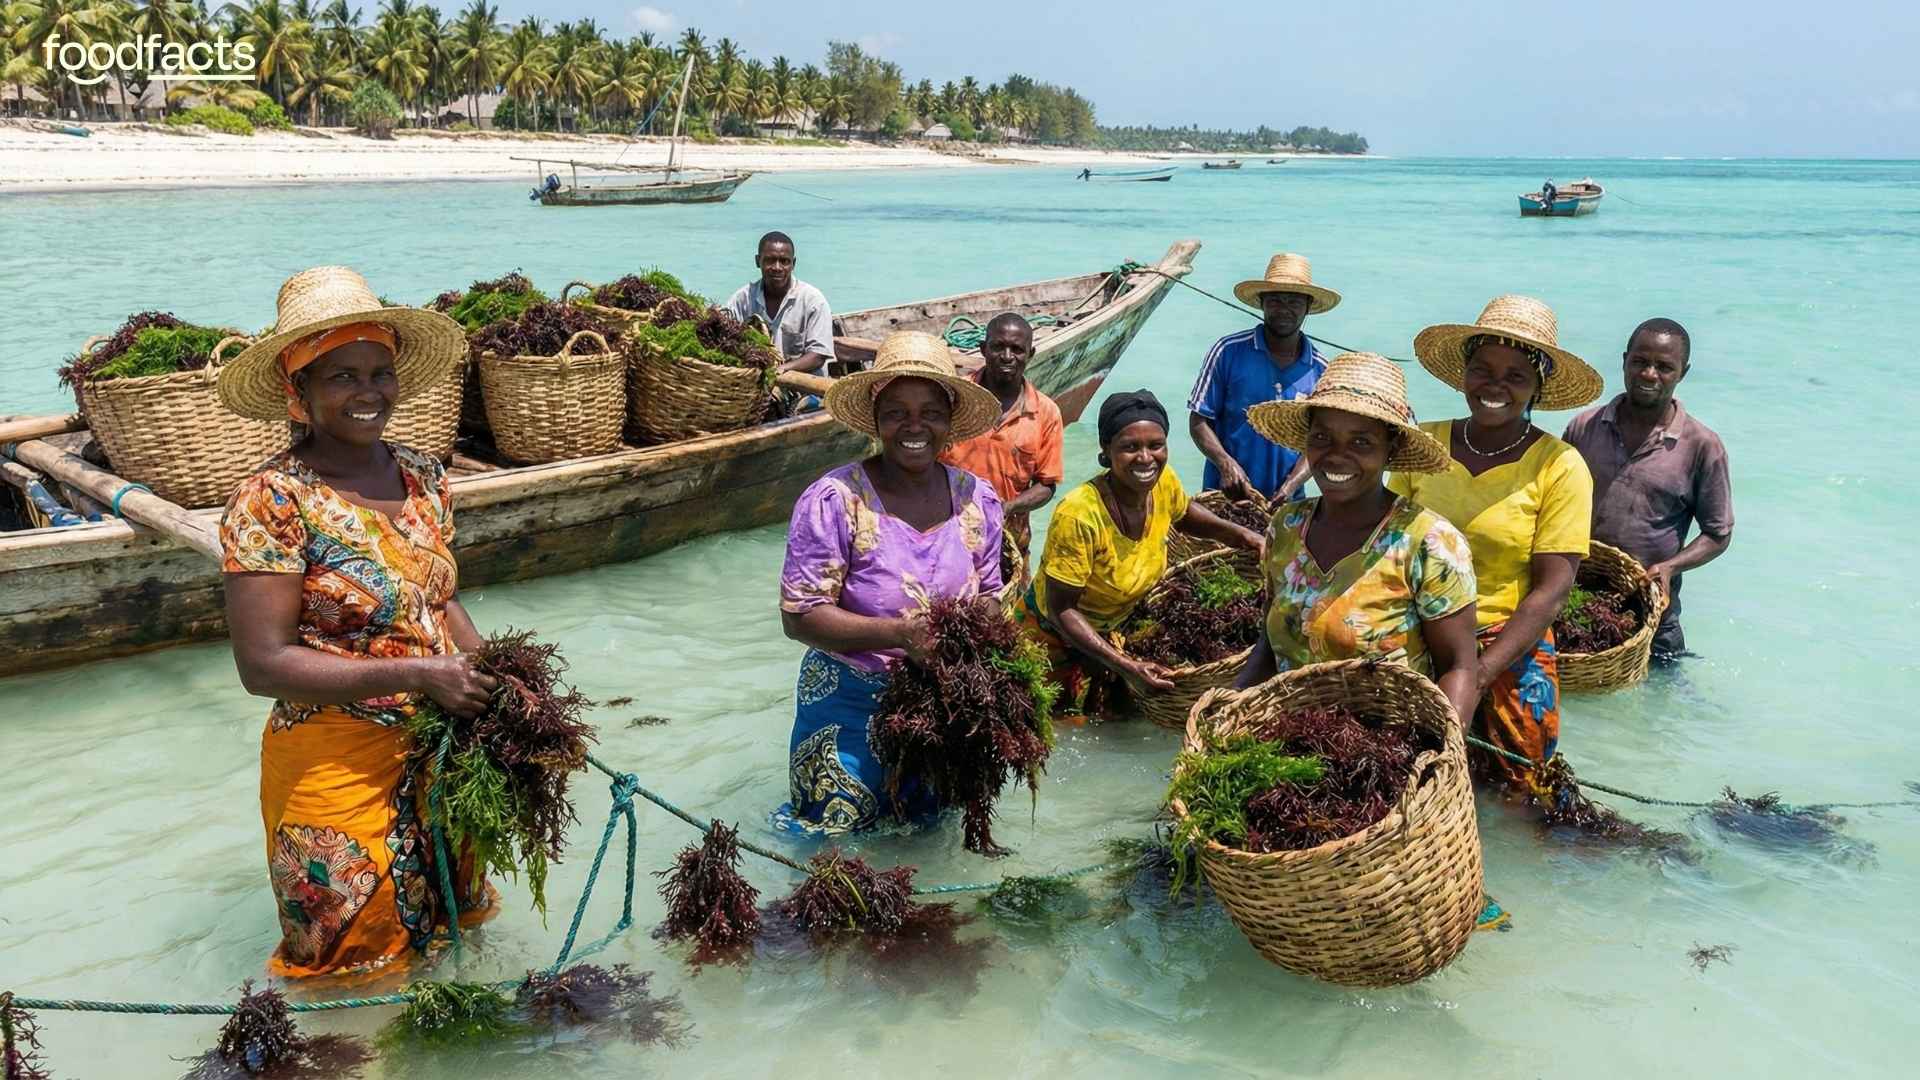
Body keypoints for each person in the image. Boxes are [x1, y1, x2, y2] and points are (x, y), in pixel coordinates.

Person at [216, 266, 498, 977]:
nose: (368, 392)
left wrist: (496, 674)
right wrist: (420, 673)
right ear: (297, 391)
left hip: (439, 752)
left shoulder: (423, 476)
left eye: (379, 372)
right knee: (346, 969)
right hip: (331, 766)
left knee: (454, 943)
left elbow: (436, 596)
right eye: (341, 376)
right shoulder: (271, 502)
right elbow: (263, 666)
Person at [776, 330, 1006, 834]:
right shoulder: (835, 499)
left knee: (928, 840)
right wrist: (899, 634)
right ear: (877, 421)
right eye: (897, 412)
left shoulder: (978, 499)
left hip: (941, 706)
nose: (914, 426)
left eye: (931, 412)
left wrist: (970, 634)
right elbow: (800, 615)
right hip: (847, 706)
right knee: (830, 847)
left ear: (949, 422)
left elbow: (991, 595)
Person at [1390, 296, 1603, 791]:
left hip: (1509, 644)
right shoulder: (1421, 444)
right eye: (1483, 371)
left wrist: (1480, 673)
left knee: (1525, 792)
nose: (1495, 387)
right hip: (1415, 634)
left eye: (1515, 377)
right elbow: (1383, 545)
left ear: (1537, 387)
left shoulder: (1560, 465)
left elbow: (1551, 592)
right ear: (1463, 373)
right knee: (1404, 782)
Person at [1234, 353, 1482, 722]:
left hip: (1387, 752)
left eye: (1361, 442)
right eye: (1322, 438)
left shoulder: (1429, 543)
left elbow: (1459, 669)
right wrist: (1233, 704)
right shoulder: (1285, 527)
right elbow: (1269, 645)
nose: (1337, 457)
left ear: (1391, 450)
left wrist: (1444, 749)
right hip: (1286, 739)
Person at [1016, 390, 1265, 717]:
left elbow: (1184, 513)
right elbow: (1063, 611)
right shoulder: (1079, 515)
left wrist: (1244, 536)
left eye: (1156, 445)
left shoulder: (1163, 483)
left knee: (1119, 722)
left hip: (1114, 630)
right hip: (1053, 642)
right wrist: (1127, 666)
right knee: (1064, 728)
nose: (1146, 458)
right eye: (1130, 447)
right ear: (1106, 454)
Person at [1561, 318, 1732, 661]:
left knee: (1660, 706)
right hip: (1574, 598)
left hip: (1653, 612)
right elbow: (1552, 503)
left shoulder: (1703, 446)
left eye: (1664, 366)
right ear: (1624, 360)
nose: (1649, 374)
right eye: (1640, 361)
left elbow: (1718, 534)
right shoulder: (1584, 427)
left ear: (1683, 372)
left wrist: (1670, 567)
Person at [1189, 252, 1340, 503]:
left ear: (1307, 307)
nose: (1284, 310)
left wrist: (1291, 486)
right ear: (1262, 303)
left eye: (1294, 302)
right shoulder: (1228, 351)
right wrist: (1226, 464)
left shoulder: (1321, 370)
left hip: (1288, 505)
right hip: (1224, 497)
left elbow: (1320, 443)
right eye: (1276, 301)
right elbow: (1198, 421)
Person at [938, 312, 1064, 556]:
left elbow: (1046, 486)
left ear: (1030, 354)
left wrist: (1008, 507)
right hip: (945, 534)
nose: (1007, 357)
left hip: (1008, 542)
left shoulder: (1046, 412)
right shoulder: (954, 398)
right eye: (998, 347)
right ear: (984, 349)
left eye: (1017, 349)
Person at [724, 230, 835, 376]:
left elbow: (818, 355)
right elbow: (725, 339)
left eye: (784, 261)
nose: (777, 267)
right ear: (758, 261)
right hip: (756, 384)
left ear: (793, 264)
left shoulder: (813, 301)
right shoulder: (742, 300)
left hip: (804, 388)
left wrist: (782, 370)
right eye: (770, 260)